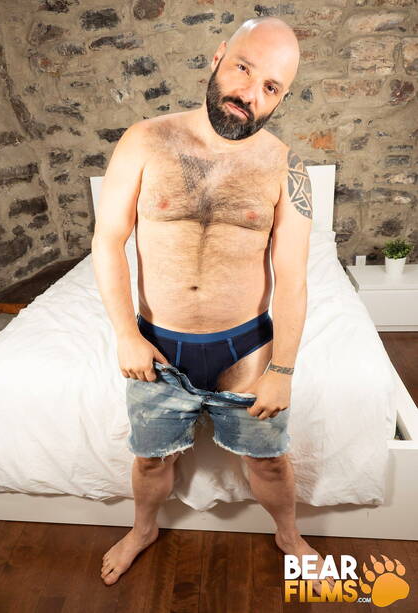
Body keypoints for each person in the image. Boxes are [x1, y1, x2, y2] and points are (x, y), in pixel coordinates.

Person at [92, 16, 335, 595]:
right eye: (244, 69)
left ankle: (289, 535)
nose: (250, 94)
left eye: (271, 87)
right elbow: (107, 240)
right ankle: (144, 528)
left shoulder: (287, 169)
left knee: (269, 462)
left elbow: (292, 280)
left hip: (246, 349)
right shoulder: (144, 140)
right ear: (220, 55)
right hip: (157, 346)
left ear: (282, 97)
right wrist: (125, 334)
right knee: (150, 461)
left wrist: (283, 369)